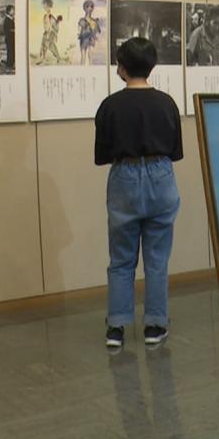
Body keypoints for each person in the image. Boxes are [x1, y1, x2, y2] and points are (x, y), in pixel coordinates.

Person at [94, 37, 183, 349]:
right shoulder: (167, 103)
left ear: (122, 67)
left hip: (125, 177)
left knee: (121, 259)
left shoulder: (110, 106)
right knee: (157, 259)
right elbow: (175, 150)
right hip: (161, 175)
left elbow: (103, 154)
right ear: (152, 65)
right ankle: (155, 326)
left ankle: (117, 327)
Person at [78, 0, 101, 65]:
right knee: (83, 56)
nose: (89, 8)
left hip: (91, 39)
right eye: (87, 6)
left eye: (91, 7)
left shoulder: (94, 21)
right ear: (84, 8)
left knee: (90, 55)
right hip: (84, 39)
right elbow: (79, 30)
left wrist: (94, 36)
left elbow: (97, 31)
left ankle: (90, 70)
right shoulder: (82, 20)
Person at [39, 0, 62, 64]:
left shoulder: (51, 17)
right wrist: (46, 32)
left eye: (45, 5)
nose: (44, 6)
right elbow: (45, 25)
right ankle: (43, 59)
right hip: (46, 33)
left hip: (50, 33)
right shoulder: (45, 16)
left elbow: (54, 27)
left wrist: (49, 33)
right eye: (43, 5)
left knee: (51, 46)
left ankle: (58, 58)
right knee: (44, 46)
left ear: (49, 6)